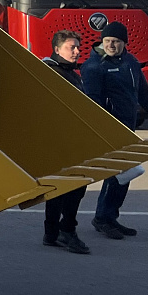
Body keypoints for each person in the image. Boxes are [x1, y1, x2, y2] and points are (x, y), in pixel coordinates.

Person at [81, 22, 148, 239]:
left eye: (116, 41)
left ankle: (111, 216)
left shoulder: (130, 62)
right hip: (111, 128)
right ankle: (102, 218)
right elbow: (94, 103)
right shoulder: (94, 66)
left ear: (124, 43)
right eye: (107, 41)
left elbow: (143, 93)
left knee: (126, 175)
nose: (111, 45)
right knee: (115, 174)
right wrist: (102, 128)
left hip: (128, 127)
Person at [41, 30, 90, 254]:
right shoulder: (53, 72)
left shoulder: (71, 72)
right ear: (58, 49)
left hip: (68, 138)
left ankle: (52, 233)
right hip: (61, 141)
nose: (77, 51)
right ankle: (66, 231)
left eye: (78, 47)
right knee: (73, 187)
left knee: (59, 188)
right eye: (72, 47)